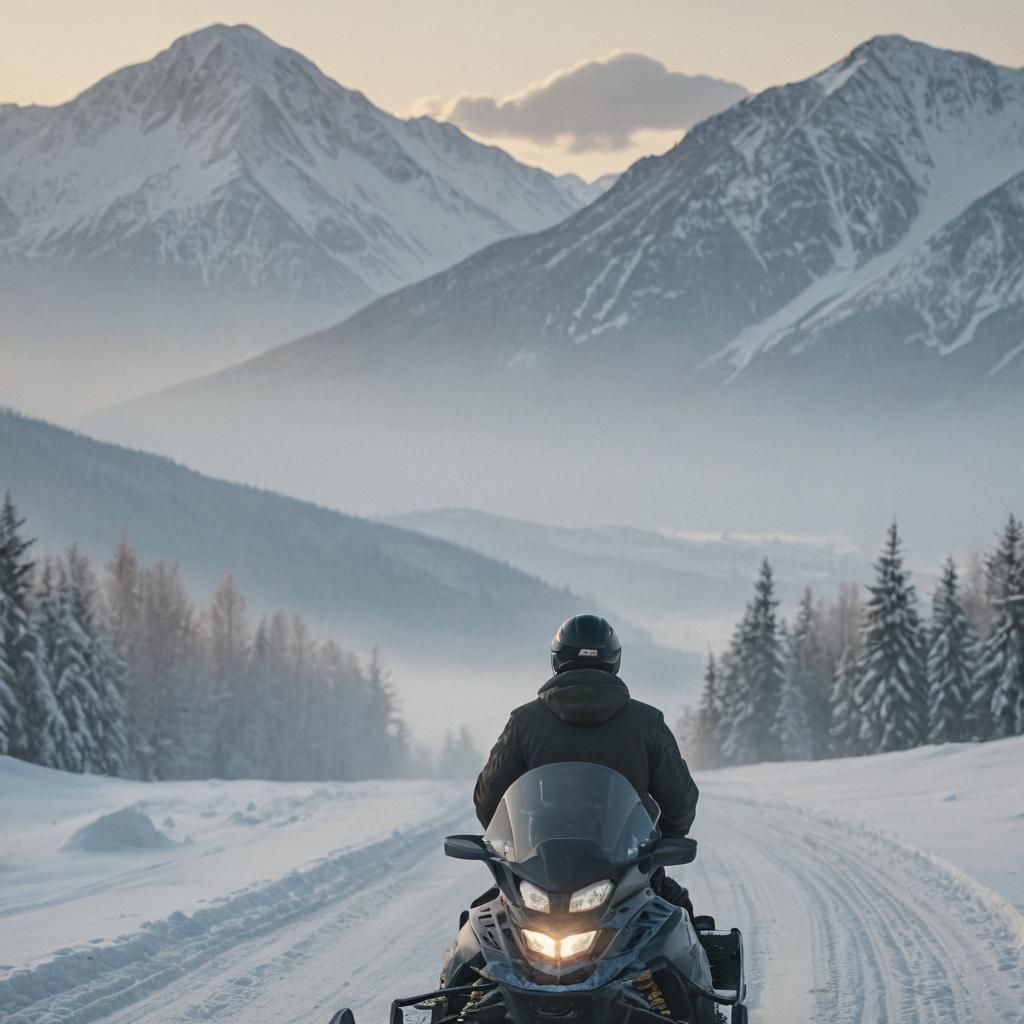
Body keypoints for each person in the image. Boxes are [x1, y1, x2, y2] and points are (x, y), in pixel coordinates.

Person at [473, 614, 699, 915]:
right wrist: (656, 852)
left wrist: (513, 846)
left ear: (557, 659)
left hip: (538, 869)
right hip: (626, 867)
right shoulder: (647, 723)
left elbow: (489, 798)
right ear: (614, 660)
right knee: (682, 927)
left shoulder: (524, 722)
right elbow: (680, 801)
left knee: (480, 933)